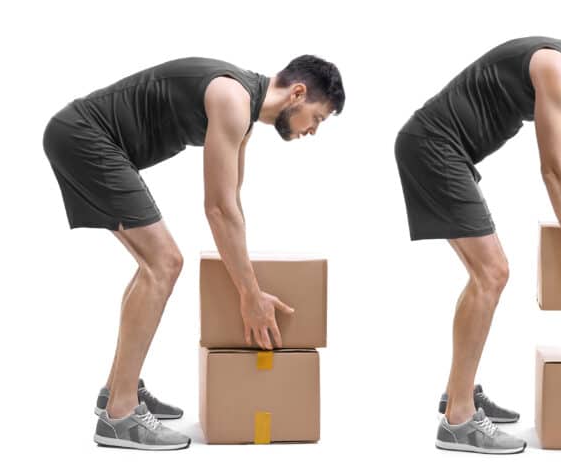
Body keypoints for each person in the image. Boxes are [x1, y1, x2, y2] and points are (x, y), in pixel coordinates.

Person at [43, 55, 344, 450]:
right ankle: (120, 414)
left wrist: (249, 281)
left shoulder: (244, 110)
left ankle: (120, 387)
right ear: (298, 93)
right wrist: (249, 296)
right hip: (85, 136)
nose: (313, 130)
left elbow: (232, 202)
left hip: (89, 138)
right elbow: (217, 210)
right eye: (317, 118)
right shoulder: (232, 99)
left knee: (155, 264)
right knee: (164, 263)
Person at [396, 11, 561, 454]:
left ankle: (457, 391)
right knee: (492, 274)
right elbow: (554, 172)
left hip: (442, 150)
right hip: (435, 147)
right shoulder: (556, 67)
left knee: (485, 276)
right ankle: (458, 420)